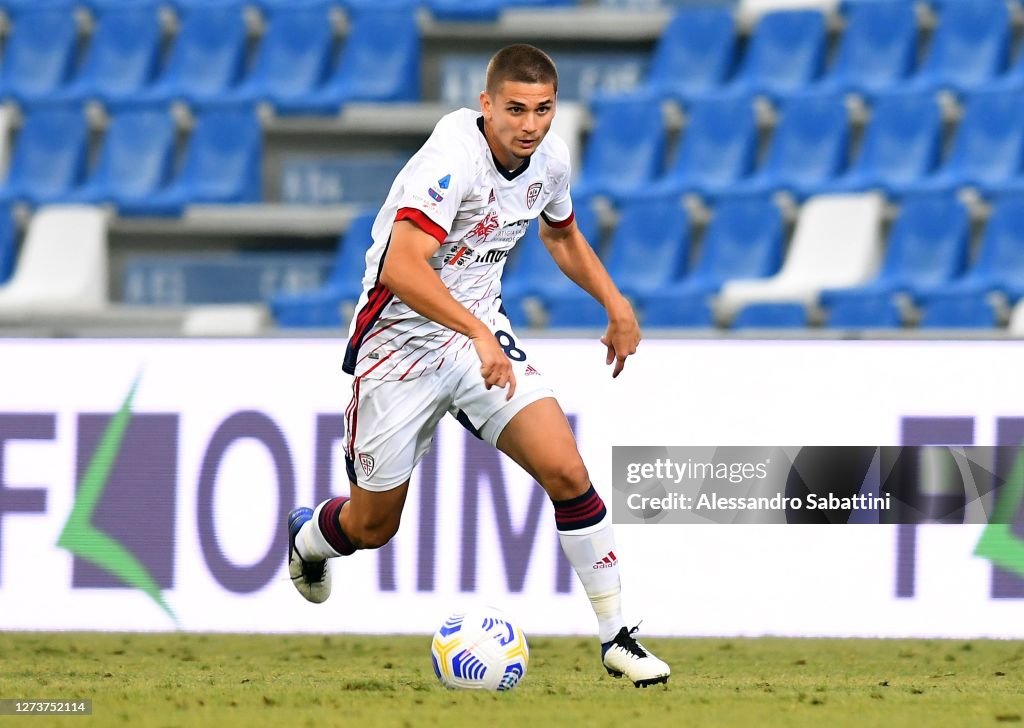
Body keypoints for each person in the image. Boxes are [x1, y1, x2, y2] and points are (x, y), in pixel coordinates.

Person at [286, 43, 670, 688]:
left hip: (478, 337)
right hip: (399, 347)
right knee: (372, 526)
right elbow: (400, 268)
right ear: (486, 104)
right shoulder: (448, 161)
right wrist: (474, 331)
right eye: (516, 109)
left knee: (567, 469)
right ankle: (311, 538)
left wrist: (614, 302)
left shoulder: (549, 160)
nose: (530, 124)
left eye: (544, 109)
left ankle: (618, 638)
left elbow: (560, 233)